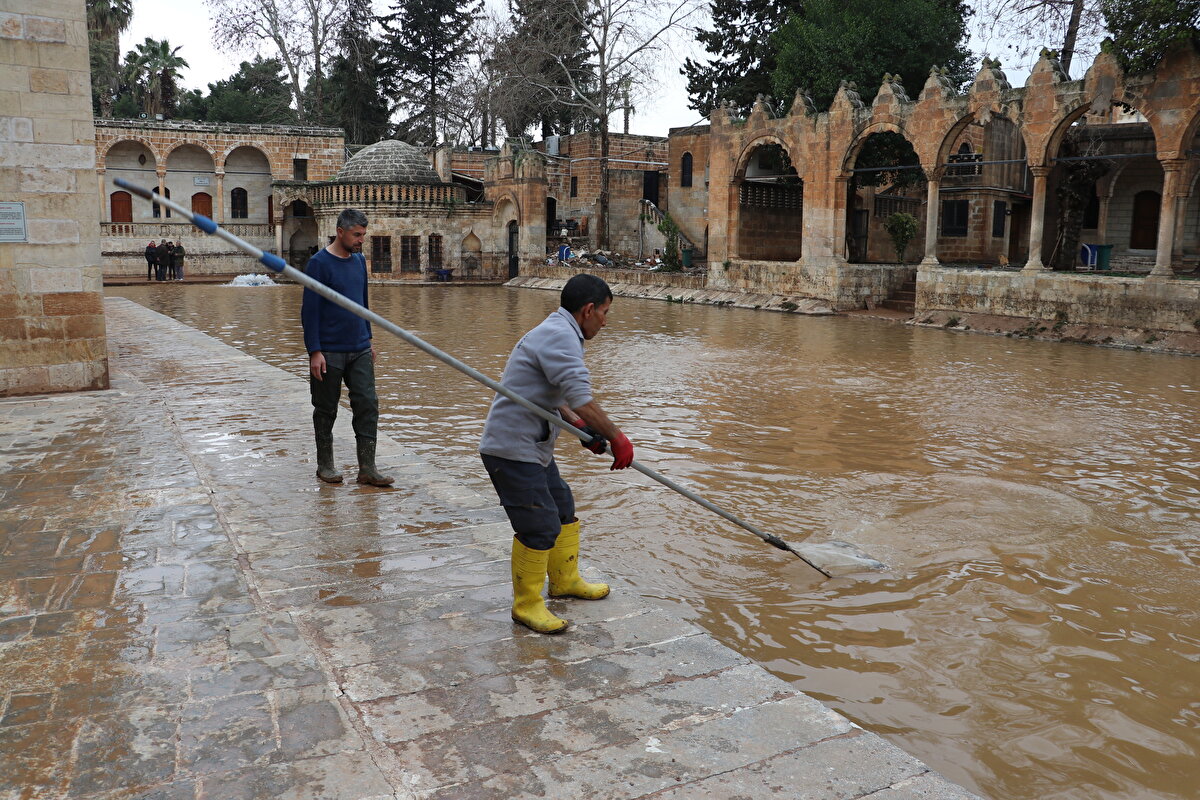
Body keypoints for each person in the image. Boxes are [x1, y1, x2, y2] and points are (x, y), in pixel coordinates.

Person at [479, 273, 635, 635]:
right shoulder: (561, 337)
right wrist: (616, 435)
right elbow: (579, 396)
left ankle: (565, 581)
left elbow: (559, 399)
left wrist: (583, 428)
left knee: (562, 506)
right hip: (511, 449)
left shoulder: (559, 330)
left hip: (533, 447)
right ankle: (527, 605)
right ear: (589, 310)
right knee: (539, 526)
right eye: (605, 313)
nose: (606, 322)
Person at [300, 208, 393, 487]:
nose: (361, 240)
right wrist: (314, 351)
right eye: (356, 235)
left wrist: (368, 339)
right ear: (340, 232)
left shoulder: (359, 261)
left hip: (360, 348)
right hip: (329, 350)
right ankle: (325, 465)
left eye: (363, 235)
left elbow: (363, 304)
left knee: (367, 404)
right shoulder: (318, 264)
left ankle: (368, 468)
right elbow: (310, 311)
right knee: (326, 408)